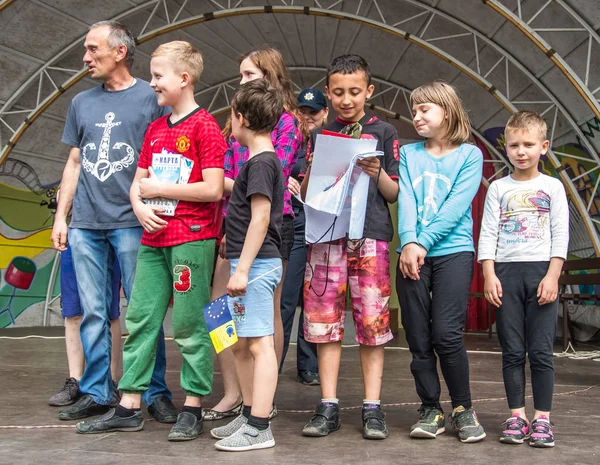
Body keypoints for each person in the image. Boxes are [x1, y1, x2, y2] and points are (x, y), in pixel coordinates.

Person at [74, 41, 226, 441]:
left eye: (159, 76)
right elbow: (138, 183)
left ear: (184, 79)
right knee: (140, 317)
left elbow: (213, 190)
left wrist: (164, 189)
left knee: (191, 323)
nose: (153, 83)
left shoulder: (205, 126)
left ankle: (193, 405)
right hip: (153, 239)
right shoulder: (157, 128)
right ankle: (129, 404)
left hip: (191, 241)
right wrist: (139, 207)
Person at [50, 20, 175, 423]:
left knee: (144, 311)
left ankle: (153, 391)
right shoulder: (81, 103)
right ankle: (97, 390)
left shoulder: (152, 97)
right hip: (86, 222)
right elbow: (74, 162)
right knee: (94, 311)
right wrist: (61, 216)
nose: (85, 58)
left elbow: (166, 161)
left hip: (133, 222)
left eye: (92, 49)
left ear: (119, 52)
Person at [299, 55, 400, 440]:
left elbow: (394, 194)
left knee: (372, 324)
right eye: (338, 92)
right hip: (326, 236)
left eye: (355, 92)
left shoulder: (384, 132)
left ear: (369, 91)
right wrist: (314, 170)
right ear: (328, 92)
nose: (346, 99)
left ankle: (372, 407)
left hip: (370, 236)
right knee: (325, 323)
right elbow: (307, 193)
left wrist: (378, 174)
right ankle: (328, 405)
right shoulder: (319, 134)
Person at [203, 46, 302, 421]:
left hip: (269, 233)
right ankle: (234, 391)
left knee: (264, 318)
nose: (241, 80)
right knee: (218, 313)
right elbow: (229, 175)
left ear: (270, 78)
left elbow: (255, 184)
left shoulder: (285, 125)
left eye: (249, 75)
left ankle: (261, 403)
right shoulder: (237, 128)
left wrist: (208, 183)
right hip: (234, 225)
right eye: (240, 74)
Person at [395, 81, 485, 443]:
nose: (416, 116)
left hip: (453, 253)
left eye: (424, 110)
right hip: (412, 253)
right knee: (418, 338)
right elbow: (406, 200)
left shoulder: (470, 155)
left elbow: (456, 207)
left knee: (446, 335)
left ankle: (463, 409)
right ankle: (430, 408)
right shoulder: (408, 153)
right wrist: (409, 242)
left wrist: (423, 242)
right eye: (414, 110)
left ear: (446, 111)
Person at [478, 110, 568, 448]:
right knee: (512, 351)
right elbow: (487, 235)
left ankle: (542, 419)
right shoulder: (498, 188)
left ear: (543, 146)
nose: (521, 151)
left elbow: (561, 235)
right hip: (506, 274)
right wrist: (489, 274)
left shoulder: (553, 187)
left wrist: (553, 276)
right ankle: (517, 416)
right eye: (514, 145)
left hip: (541, 272)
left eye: (528, 144)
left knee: (541, 352)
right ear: (507, 148)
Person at [210, 79, 285, 451]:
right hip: (248, 262)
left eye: (231, 115)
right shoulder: (261, 162)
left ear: (241, 118)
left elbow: (260, 218)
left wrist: (242, 270)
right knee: (240, 342)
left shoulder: (260, 164)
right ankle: (248, 412)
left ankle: (259, 426)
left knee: (259, 345)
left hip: (256, 268)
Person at [279, 88, 328, 385]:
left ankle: (308, 365)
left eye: (314, 112)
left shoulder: (331, 142)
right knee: (286, 298)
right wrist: (288, 181)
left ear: (325, 113)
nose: (307, 116)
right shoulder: (290, 141)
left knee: (315, 298)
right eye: (303, 111)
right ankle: (276, 358)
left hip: (323, 226)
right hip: (295, 224)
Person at [48, 244, 122, 407]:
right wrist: (60, 218)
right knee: (73, 310)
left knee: (109, 312)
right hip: (75, 231)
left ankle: (110, 381)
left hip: (109, 231)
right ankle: (75, 381)